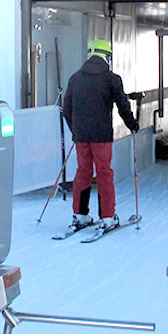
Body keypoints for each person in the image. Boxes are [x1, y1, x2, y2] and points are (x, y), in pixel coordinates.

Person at [61, 39, 139, 233]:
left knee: (83, 172)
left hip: (81, 136)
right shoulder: (111, 79)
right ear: (107, 57)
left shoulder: (75, 78)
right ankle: (107, 216)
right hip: (102, 136)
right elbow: (122, 105)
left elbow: (66, 108)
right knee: (104, 174)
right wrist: (133, 125)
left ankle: (80, 214)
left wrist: (76, 130)